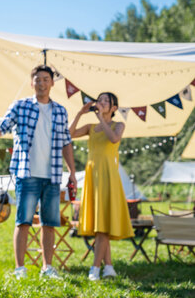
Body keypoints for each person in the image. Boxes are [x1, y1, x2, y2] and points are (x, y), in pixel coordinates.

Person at [0, 65, 77, 280]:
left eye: (45, 79)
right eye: (38, 80)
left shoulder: (60, 111)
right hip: (26, 173)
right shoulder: (20, 106)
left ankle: (47, 268)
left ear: (52, 83)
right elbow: (2, 126)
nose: (41, 83)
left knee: (50, 223)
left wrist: (71, 172)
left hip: (52, 175)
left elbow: (66, 143)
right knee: (23, 221)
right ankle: (20, 269)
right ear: (32, 82)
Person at [69, 92, 134, 281]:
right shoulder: (91, 127)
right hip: (92, 177)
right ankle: (109, 268)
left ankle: (95, 269)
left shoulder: (118, 125)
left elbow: (113, 139)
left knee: (102, 226)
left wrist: (100, 118)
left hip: (108, 177)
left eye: (106, 101)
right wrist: (80, 114)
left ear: (114, 108)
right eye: (100, 100)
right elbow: (69, 134)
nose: (101, 103)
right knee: (100, 224)